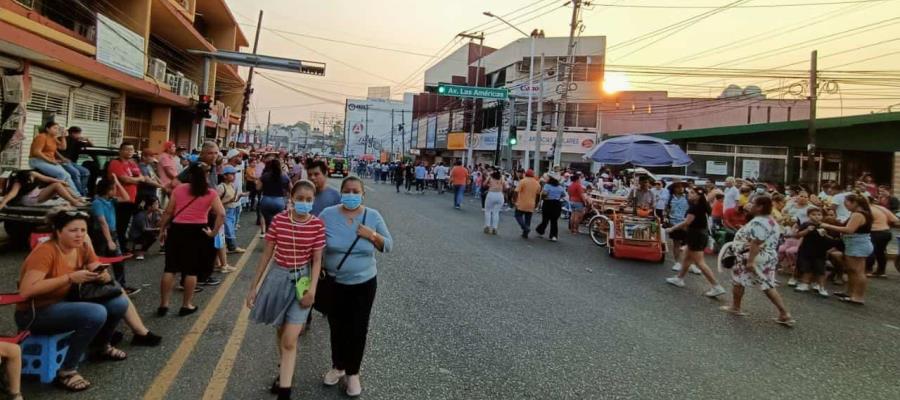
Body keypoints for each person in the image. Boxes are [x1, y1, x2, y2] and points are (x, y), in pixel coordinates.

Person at [15, 209, 129, 391]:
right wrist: (69, 278)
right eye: (73, 230)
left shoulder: (82, 246)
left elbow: (98, 269)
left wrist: (102, 276)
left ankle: (101, 346)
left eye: (83, 230)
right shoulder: (46, 251)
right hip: (34, 313)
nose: (79, 235)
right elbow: (26, 290)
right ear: (58, 231)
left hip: (63, 304)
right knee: (96, 312)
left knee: (119, 303)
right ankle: (67, 371)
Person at [246, 180, 325, 400]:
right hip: (278, 278)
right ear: (291, 198)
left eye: (309, 200)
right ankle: (284, 370)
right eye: (300, 198)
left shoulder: (317, 225)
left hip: (302, 281)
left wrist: (313, 290)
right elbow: (266, 255)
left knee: (290, 339)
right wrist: (254, 288)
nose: (304, 203)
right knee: (281, 331)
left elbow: (317, 260)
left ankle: (285, 391)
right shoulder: (280, 221)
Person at [319, 177, 393, 397]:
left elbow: (388, 245)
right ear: (341, 193)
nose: (351, 195)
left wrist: (371, 235)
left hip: (364, 283)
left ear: (362, 194)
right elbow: (315, 243)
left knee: (358, 328)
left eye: (355, 191)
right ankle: (338, 366)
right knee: (337, 326)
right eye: (347, 191)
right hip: (334, 282)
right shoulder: (328, 215)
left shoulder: (373, 216)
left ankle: (353, 373)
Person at [158, 162, 226, 316]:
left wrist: (162, 229)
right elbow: (221, 214)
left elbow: (169, 212)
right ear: (206, 176)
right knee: (191, 270)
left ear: (189, 176)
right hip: (198, 230)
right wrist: (213, 232)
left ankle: (164, 304)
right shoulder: (210, 193)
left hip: (177, 229)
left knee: (170, 268)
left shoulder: (179, 189)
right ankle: (186, 304)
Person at [719, 196, 795, 327]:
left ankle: (736, 307)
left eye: (753, 203)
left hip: (755, 255)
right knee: (767, 284)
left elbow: (756, 242)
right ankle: (784, 313)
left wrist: (750, 261)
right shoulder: (770, 221)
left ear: (760, 207)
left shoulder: (759, 222)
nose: (750, 205)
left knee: (739, 281)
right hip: (767, 255)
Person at [664, 187, 726, 297]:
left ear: (698, 196)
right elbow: (716, 192)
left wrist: (672, 228)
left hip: (695, 235)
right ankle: (679, 278)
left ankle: (716, 286)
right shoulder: (703, 206)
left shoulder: (695, 208)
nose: (689, 194)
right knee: (687, 257)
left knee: (699, 262)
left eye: (692, 193)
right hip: (700, 234)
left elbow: (686, 222)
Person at [820, 194, 874, 305]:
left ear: (855, 203)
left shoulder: (858, 215)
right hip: (853, 244)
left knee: (858, 271)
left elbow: (849, 229)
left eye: (847, 203)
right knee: (851, 270)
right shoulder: (859, 214)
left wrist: (827, 225)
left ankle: (858, 296)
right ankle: (850, 292)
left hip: (857, 244)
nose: (845, 206)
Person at [91, 177, 138, 294]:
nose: (115, 191)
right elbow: (102, 222)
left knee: (118, 260)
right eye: (113, 189)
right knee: (101, 262)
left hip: (112, 233)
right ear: (107, 190)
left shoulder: (111, 201)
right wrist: (109, 241)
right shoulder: (97, 202)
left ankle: (121, 286)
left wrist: (117, 182)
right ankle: (98, 286)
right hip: (102, 235)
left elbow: (127, 198)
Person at [107, 143, 146, 253]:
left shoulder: (132, 163)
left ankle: (122, 247)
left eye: (132, 149)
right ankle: (118, 248)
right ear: (120, 151)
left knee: (125, 225)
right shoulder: (115, 163)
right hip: (119, 198)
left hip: (131, 198)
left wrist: (136, 179)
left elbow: (142, 177)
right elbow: (126, 179)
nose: (130, 152)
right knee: (119, 225)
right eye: (127, 150)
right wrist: (137, 179)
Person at [794, 208, 840, 297]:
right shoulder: (806, 224)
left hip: (820, 251)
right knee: (807, 268)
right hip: (806, 250)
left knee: (820, 269)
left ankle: (821, 286)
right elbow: (798, 235)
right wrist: (807, 230)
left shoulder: (824, 226)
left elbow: (832, 240)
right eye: (813, 214)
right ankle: (805, 283)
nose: (816, 217)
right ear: (809, 216)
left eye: (819, 215)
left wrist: (824, 234)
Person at [28, 121, 80, 196]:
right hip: (37, 160)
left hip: (49, 161)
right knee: (62, 174)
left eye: (58, 129)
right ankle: (57, 194)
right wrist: (50, 161)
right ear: (47, 129)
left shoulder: (53, 138)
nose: (57, 130)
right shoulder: (42, 137)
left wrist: (63, 137)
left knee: (67, 175)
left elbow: (63, 147)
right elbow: (37, 152)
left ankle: (76, 195)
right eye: (55, 128)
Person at [0, 169, 85, 209]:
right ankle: (73, 202)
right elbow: (12, 194)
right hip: (28, 199)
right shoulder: (18, 182)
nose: (30, 181)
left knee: (61, 184)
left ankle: (77, 198)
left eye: (31, 179)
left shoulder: (32, 173)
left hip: (36, 194)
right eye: (28, 181)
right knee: (57, 185)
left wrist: (61, 181)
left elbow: (47, 179)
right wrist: (2, 204)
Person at [666, 183, 702, 275]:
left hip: (686, 223)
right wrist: (667, 218)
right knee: (676, 243)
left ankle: (692, 264)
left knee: (690, 245)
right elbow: (666, 209)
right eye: (678, 187)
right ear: (674, 189)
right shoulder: (670, 198)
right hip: (674, 222)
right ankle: (677, 262)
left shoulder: (688, 197)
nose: (680, 188)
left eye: (682, 187)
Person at [865, 202, 899, 278]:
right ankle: (881, 271)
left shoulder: (866, 210)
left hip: (875, 232)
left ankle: (868, 270)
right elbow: (895, 219)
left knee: (871, 251)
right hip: (886, 233)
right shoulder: (881, 208)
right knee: (880, 252)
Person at [257, 159, 290, 234]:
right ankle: (278, 240)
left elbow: (258, 187)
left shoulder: (265, 176)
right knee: (279, 223)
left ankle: (270, 238)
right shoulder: (284, 176)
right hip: (279, 201)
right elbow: (291, 188)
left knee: (269, 223)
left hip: (266, 200)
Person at [218, 165, 245, 255]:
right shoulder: (221, 187)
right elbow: (216, 203)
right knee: (228, 230)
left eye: (234, 174)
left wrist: (240, 196)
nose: (234, 176)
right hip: (225, 211)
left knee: (231, 229)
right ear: (225, 176)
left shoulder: (231, 185)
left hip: (232, 210)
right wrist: (230, 200)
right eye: (231, 174)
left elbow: (233, 200)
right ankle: (232, 247)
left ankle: (229, 247)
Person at [60, 126, 91, 196]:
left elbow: (91, 147)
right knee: (76, 173)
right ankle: (79, 194)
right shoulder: (63, 139)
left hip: (72, 163)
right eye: (77, 133)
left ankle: (82, 192)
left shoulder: (78, 142)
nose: (79, 135)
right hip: (63, 162)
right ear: (71, 133)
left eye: (79, 133)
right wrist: (62, 158)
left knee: (86, 172)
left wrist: (87, 140)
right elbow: (55, 150)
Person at [129, 195, 162, 261]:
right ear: (149, 206)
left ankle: (140, 250)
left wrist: (162, 215)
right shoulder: (141, 215)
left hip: (146, 233)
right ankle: (139, 251)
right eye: (156, 203)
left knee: (159, 232)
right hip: (137, 235)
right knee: (153, 234)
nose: (158, 205)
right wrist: (157, 229)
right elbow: (144, 229)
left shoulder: (155, 213)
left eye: (158, 203)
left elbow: (159, 224)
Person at [536, 174, 565, 242]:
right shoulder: (560, 187)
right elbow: (563, 195)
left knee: (545, 219)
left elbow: (544, 194)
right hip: (557, 204)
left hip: (548, 203)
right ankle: (553, 236)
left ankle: (540, 230)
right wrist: (557, 197)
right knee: (554, 221)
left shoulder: (547, 185)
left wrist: (544, 197)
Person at [514, 169, 541, 239]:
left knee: (517, 215)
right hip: (531, 203)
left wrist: (514, 200)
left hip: (521, 203)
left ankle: (525, 227)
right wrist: (536, 203)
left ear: (525, 174)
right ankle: (525, 233)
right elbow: (538, 195)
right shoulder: (537, 183)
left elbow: (516, 191)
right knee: (528, 219)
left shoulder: (523, 181)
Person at [483, 170, 506, 235]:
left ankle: (487, 226)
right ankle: (494, 228)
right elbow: (506, 186)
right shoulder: (502, 177)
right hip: (500, 195)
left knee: (488, 211)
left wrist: (489, 183)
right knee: (496, 212)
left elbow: (484, 184)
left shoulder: (490, 177)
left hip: (491, 194)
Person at [157, 141, 179, 206]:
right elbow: (168, 172)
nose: (175, 148)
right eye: (173, 147)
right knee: (172, 204)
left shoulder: (170, 157)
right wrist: (178, 179)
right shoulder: (164, 157)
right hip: (167, 184)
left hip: (170, 183)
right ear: (168, 148)